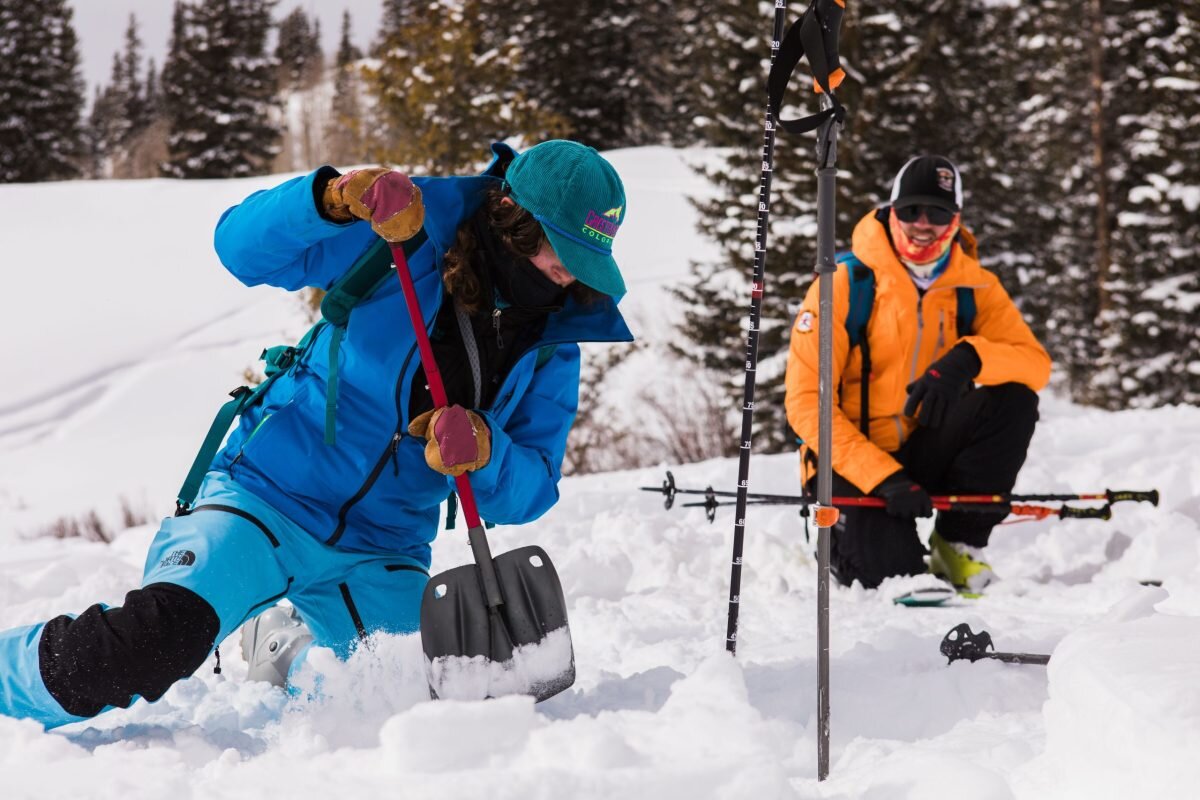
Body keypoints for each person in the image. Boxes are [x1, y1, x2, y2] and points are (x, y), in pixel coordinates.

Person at [0, 140, 633, 728]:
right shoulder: (408, 230)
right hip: (266, 499)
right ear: (511, 218)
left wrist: (488, 451)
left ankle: (287, 648)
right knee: (154, 642)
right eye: (561, 252)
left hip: (385, 546)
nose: (570, 277)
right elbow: (239, 249)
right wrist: (329, 199)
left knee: (403, 709)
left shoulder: (556, 340)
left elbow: (531, 489)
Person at [784, 155, 1051, 594]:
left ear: (956, 219)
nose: (923, 224)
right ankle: (841, 541)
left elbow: (1035, 365)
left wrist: (970, 358)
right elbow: (804, 403)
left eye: (938, 212)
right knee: (897, 579)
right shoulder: (845, 283)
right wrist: (882, 477)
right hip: (852, 464)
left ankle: (959, 541)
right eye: (911, 211)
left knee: (1014, 400)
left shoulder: (974, 285)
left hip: (924, 449)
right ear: (891, 212)